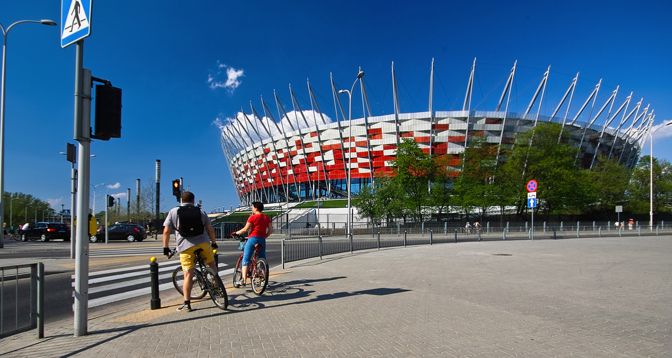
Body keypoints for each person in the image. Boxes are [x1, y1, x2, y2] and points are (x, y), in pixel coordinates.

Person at [163, 191, 218, 312]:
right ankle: (217, 286)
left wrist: (165, 248)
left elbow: (166, 231)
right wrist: (213, 243)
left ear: (181, 201)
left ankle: (187, 303)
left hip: (185, 246)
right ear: (193, 200)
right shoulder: (201, 211)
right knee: (211, 264)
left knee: (188, 274)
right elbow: (210, 229)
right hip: (203, 243)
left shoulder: (173, 212)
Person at [234, 201, 272, 287]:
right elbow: (270, 230)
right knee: (262, 259)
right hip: (262, 240)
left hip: (252, 239)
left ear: (255, 208)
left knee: (246, 259)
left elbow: (245, 229)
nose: (252, 208)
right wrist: (264, 236)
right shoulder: (266, 218)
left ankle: (243, 280)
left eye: (252, 207)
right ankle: (263, 280)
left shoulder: (252, 217)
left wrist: (236, 233)